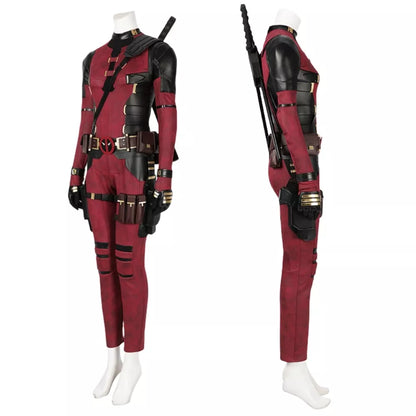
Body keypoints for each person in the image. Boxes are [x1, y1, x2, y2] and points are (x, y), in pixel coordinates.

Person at [68, 11, 177, 405]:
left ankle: (133, 360)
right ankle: (112, 357)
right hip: (97, 171)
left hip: (134, 169)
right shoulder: (92, 59)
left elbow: (167, 117)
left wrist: (164, 179)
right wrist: (75, 172)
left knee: (129, 265)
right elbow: (86, 118)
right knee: (105, 265)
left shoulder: (158, 53)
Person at [261, 8, 330, 409]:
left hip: (295, 164)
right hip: (296, 168)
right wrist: (306, 180)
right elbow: (288, 116)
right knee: (300, 268)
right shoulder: (282, 45)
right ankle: (293, 367)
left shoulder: (280, 42)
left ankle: (298, 365)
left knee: (303, 266)